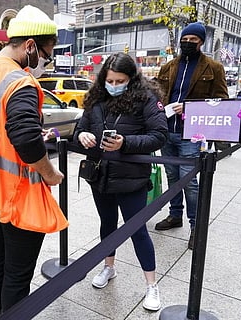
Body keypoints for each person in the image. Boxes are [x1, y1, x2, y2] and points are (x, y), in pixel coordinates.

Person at [0, 5, 64, 319]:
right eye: (47, 52)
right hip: (13, 195)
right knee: (17, 274)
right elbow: (25, 138)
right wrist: (50, 173)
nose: (47, 60)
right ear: (30, 46)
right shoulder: (20, 81)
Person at [74, 52, 168, 311]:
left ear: (131, 79)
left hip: (131, 178)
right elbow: (79, 129)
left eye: (120, 81)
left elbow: (159, 135)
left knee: (137, 230)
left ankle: (151, 285)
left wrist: (125, 143)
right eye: (110, 80)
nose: (114, 85)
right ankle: (109, 267)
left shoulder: (145, 99)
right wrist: (82, 136)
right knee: (107, 225)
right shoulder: (96, 99)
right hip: (100, 176)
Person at [155, 22, 229, 249]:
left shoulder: (213, 68)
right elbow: (157, 94)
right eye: (184, 40)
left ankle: (196, 226)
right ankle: (175, 214)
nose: (187, 44)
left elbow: (221, 102)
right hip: (167, 130)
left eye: (192, 41)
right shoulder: (169, 67)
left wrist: (189, 107)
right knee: (172, 177)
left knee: (190, 182)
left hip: (192, 133)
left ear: (201, 42)